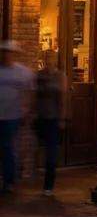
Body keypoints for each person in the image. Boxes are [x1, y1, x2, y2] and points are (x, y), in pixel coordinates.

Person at [0, 41, 33, 194]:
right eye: (4, 52)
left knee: (8, 147)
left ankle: (9, 181)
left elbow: (28, 93)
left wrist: (25, 110)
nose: (6, 55)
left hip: (12, 116)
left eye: (9, 52)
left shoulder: (23, 72)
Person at [36, 52, 67, 196]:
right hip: (39, 117)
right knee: (34, 148)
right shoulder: (39, 76)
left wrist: (62, 118)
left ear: (55, 60)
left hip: (53, 118)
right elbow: (33, 94)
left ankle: (48, 185)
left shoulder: (60, 76)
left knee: (51, 153)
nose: (49, 60)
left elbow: (62, 98)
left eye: (51, 58)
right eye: (47, 58)